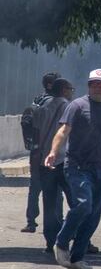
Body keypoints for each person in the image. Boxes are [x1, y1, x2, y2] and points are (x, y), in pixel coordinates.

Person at [44, 69, 101, 269]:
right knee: (84, 205)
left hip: (100, 169)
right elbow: (63, 130)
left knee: (94, 215)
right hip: (76, 166)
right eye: (94, 84)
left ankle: (76, 259)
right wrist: (52, 151)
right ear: (88, 86)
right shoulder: (77, 106)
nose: (97, 87)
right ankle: (62, 241)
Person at [34, 78, 74, 253]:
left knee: (49, 205)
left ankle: (51, 242)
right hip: (63, 161)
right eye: (70, 88)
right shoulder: (69, 106)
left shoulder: (43, 106)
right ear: (64, 90)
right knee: (79, 203)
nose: (72, 91)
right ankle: (77, 239)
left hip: (44, 160)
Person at [21, 72, 62, 233]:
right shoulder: (57, 104)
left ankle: (31, 222)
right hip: (54, 152)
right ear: (53, 85)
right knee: (57, 191)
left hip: (36, 151)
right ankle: (59, 221)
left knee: (35, 188)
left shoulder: (37, 101)